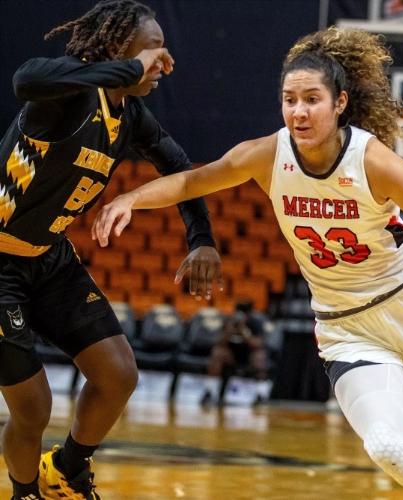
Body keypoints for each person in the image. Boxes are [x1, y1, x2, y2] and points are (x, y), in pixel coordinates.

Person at [92, 27, 403, 500]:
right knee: (391, 450)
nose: (299, 111)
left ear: (340, 103)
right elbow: (191, 181)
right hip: (346, 327)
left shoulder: (375, 163)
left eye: (312, 99)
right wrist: (130, 199)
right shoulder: (266, 156)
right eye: (289, 99)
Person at [0, 2, 223, 499]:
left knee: (118, 374)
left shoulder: (132, 117)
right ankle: (24, 493)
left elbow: (181, 169)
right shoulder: (67, 94)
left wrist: (202, 239)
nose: (163, 61)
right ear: (119, 50)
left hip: (49, 257)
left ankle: (66, 469)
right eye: (153, 48)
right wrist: (129, 68)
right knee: (33, 408)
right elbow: (25, 78)